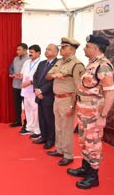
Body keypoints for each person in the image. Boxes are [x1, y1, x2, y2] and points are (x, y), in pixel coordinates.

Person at [67, 35, 114, 189]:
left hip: (94, 112)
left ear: (95, 48)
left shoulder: (103, 65)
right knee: (84, 141)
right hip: (84, 110)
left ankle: (93, 177)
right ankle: (85, 168)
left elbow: (110, 92)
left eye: (87, 46)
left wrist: (103, 115)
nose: (84, 48)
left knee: (93, 144)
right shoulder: (92, 63)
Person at [46, 37, 85, 166]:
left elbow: (79, 88)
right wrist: (55, 75)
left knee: (67, 128)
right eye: (61, 46)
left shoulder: (77, 65)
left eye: (64, 47)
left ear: (72, 49)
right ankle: (60, 149)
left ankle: (68, 155)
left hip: (67, 99)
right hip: (57, 98)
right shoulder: (59, 62)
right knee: (58, 126)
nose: (61, 49)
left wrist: (72, 105)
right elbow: (47, 76)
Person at [32, 44, 59, 149]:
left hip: (49, 95)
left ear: (56, 52)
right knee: (41, 118)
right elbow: (35, 77)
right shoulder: (42, 63)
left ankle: (51, 140)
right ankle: (43, 136)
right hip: (39, 95)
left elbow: (54, 81)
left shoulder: (58, 63)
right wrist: (36, 89)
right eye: (46, 49)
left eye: (49, 49)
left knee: (49, 119)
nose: (46, 51)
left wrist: (42, 90)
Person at [20, 45, 41, 138]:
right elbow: (22, 73)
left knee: (35, 110)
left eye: (32, 52)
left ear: (38, 53)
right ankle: (29, 128)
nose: (30, 54)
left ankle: (37, 130)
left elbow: (40, 78)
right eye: (29, 52)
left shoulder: (41, 63)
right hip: (25, 90)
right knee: (27, 109)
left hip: (34, 90)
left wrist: (30, 82)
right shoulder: (27, 62)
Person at [9, 43, 29, 129]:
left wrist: (22, 75)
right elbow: (11, 68)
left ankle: (27, 122)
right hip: (16, 85)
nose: (17, 51)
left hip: (26, 86)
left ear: (25, 50)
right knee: (17, 104)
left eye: (19, 50)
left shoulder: (29, 60)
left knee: (27, 105)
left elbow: (31, 73)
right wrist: (12, 73)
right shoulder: (15, 59)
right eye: (17, 50)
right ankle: (18, 121)